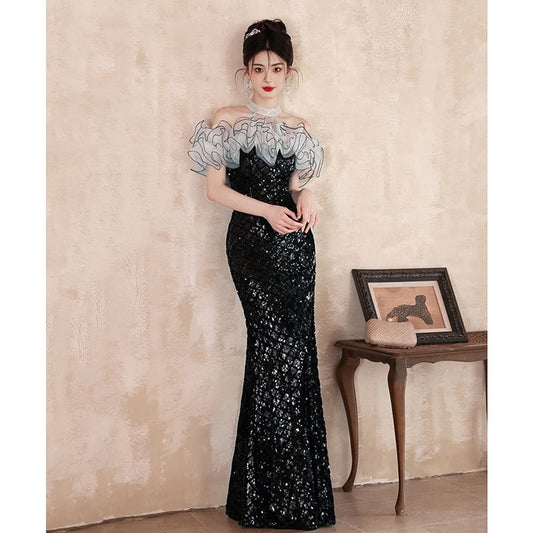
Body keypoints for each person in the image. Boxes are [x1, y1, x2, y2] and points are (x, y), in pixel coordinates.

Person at [188, 18, 336, 530]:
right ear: (245, 72)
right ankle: (261, 496)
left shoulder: (299, 126)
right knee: (269, 351)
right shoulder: (226, 120)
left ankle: (296, 498)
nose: (267, 78)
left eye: (276, 69)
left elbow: (296, 184)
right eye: (258, 69)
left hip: (295, 246)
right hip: (251, 245)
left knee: (295, 356)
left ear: (289, 72)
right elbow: (215, 191)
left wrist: (307, 195)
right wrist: (267, 211)